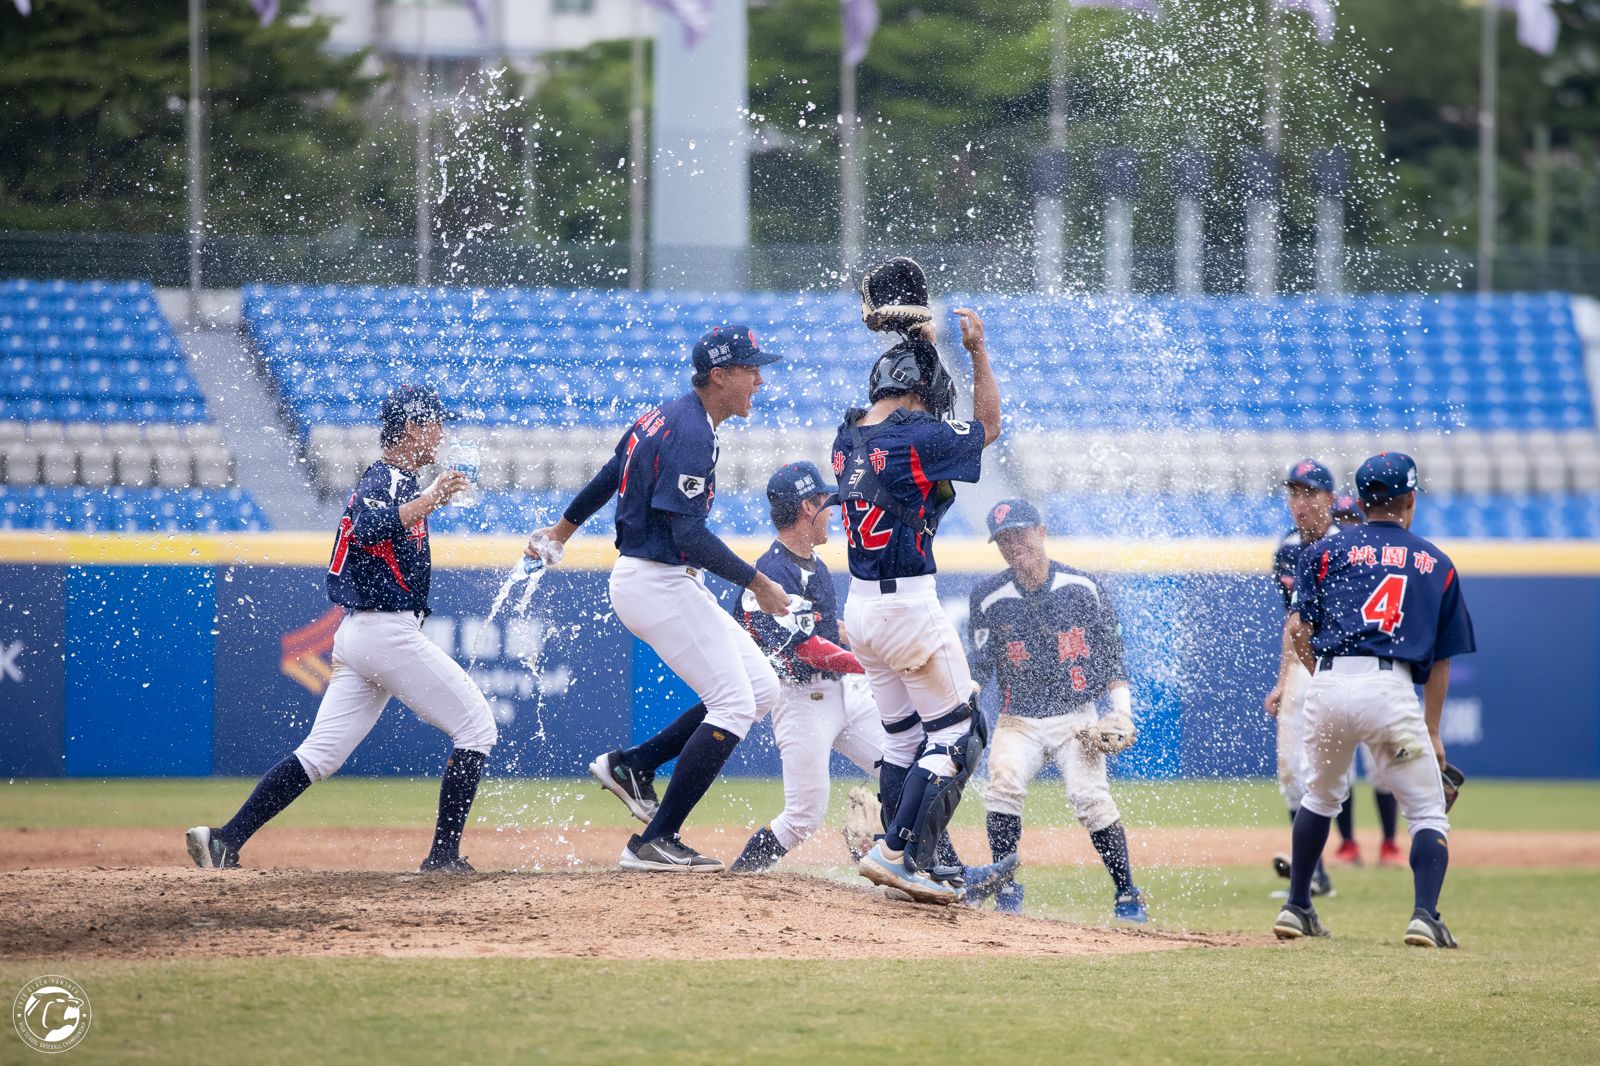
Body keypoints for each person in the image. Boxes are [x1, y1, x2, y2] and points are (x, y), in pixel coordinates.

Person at [186, 385, 495, 873]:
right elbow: (370, 526)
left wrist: (427, 498)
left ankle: (225, 839)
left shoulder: (397, 481)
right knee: (477, 725)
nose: (441, 432)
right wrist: (431, 498)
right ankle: (442, 857)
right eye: (434, 422)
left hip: (361, 635)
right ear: (412, 428)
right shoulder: (388, 479)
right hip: (384, 633)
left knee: (320, 755)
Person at [530, 325, 791, 872]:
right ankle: (653, 840)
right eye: (750, 369)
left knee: (760, 689)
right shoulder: (692, 431)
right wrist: (758, 582)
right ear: (719, 375)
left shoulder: (665, 415)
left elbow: (609, 473)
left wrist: (561, 531)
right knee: (735, 704)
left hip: (659, 578)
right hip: (655, 580)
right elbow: (688, 537)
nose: (759, 380)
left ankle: (633, 765)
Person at [723, 461, 1016, 901]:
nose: (833, 513)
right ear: (807, 508)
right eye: (825, 504)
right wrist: (874, 664)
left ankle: (943, 871)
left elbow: (824, 632)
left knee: (914, 766)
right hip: (800, 699)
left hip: (840, 692)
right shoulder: (774, 571)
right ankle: (735, 882)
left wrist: (861, 642)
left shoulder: (813, 566)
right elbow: (804, 649)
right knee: (803, 816)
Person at [838, 261, 1003, 905]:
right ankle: (899, 850)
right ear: (917, 394)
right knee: (958, 733)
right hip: (907, 606)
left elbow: (903, 462)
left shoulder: (848, 438)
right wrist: (975, 353)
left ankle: (915, 860)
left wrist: (913, 344)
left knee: (903, 740)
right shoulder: (916, 435)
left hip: (861, 611)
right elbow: (986, 425)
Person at [1271, 452, 1476, 947]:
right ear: (1409, 500)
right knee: (1427, 812)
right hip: (1390, 688)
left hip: (1331, 684)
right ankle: (1424, 915)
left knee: (1320, 797)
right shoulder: (1437, 562)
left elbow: (1298, 628)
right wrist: (1432, 730)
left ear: (1360, 502)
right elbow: (1443, 658)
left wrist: (1324, 675)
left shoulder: (1322, 552)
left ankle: (1297, 906)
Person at [967, 499, 1146, 921]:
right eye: (1004, 539)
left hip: (1076, 719)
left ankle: (1127, 894)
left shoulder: (1081, 586)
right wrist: (963, 702)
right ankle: (1007, 889)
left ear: (1042, 531)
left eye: (1021, 533)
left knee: (1091, 799)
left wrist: (1121, 712)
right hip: (1019, 718)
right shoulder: (988, 596)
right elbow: (980, 666)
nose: (1014, 545)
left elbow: (1112, 657)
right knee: (1004, 784)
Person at [1265, 459, 1343, 897]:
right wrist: (1282, 679)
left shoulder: (1348, 545)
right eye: (1295, 493)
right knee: (1292, 768)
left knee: (1328, 769)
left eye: (1310, 492)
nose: (1301, 502)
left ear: (1330, 499)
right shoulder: (1288, 548)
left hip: (1341, 663)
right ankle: (1314, 872)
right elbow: (1292, 624)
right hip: (1301, 662)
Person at [1329, 493, 1403, 868]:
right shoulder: (1331, 565)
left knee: (1383, 769)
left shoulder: (1381, 565)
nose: (1347, 523)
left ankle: (1389, 842)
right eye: (1340, 517)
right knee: (1338, 772)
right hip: (1341, 678)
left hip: (1380, 676)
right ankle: (1348, 844)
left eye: (1352, 516)